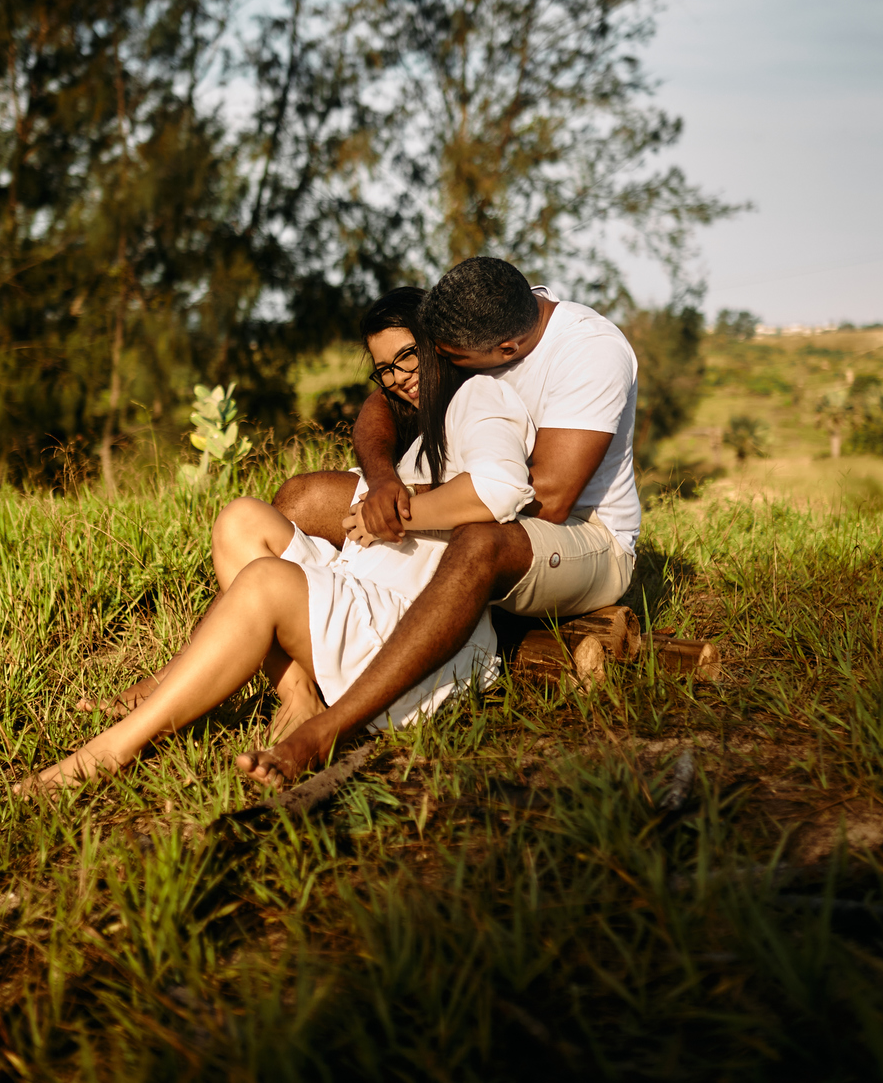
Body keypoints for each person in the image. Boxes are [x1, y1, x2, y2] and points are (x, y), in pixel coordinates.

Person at [18, 290, 536, 791]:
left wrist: (400, 512)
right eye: (386, 369)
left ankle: (112, 750)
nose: (401, 379)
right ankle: (298, 694)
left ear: (436, 343)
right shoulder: (427, 423)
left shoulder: (477, 395)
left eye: (408, 357)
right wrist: (384, 488)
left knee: (266, 580)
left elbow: (503, 487)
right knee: (241, 520)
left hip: (409, 642)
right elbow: (376, 419)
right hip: (364, 595)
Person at [237, 256, 639, 787]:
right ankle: (308, 664)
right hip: (471, 504)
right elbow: (385, 397)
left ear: (506, 353)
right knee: (303, 498)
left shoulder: (590, 353)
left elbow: (549, 497)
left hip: (583, 537)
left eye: (449, 358)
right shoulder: (484, 311)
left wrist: (403, 512)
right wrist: (383, 481)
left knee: (479, 541)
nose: (436, 367)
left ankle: (329, 727)